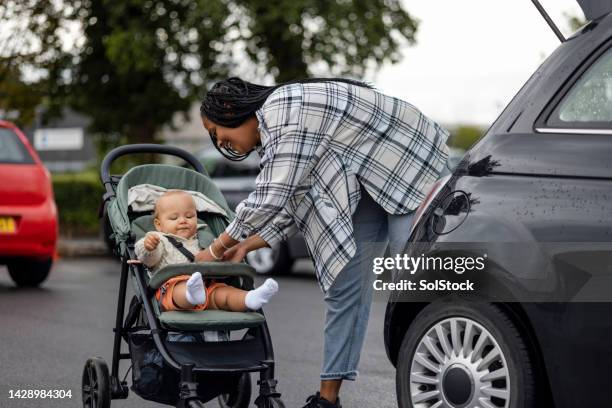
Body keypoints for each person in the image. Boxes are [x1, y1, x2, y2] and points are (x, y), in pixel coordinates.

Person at [196, 77, 450, 408]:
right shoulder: (279, 129)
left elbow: (272, 195)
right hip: (366, 183)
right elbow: (295, 200)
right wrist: (246, 245)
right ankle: (327, 401)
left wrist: (215, 249)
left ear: (229, 110)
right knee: (345, 289)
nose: (221, 143)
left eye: (217, 132)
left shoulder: (282, 110)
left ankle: (440, 389)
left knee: (414, 289)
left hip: (410, 164)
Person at [135, 190, 278, 312]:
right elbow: (148, 260)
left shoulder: (203, 236)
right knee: (180, 289)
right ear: (158, 225)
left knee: (224, 294)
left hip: (206, 285)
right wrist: (149, 247)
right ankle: (191, 294)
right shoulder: (158, 239)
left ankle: (250, 298)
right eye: (174, 218)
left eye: (189, 216)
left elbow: (218, 253)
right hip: (171, 289)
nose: (183, 221)